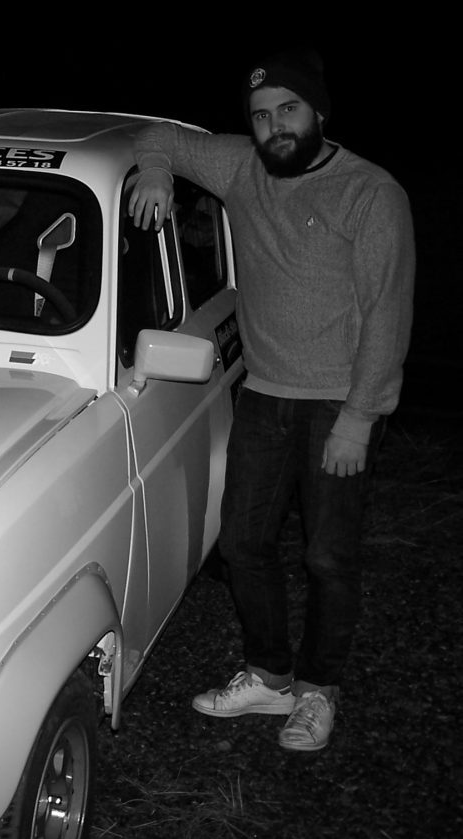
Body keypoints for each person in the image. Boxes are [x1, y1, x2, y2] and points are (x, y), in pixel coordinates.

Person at [127, 48, 415, 751]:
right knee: (243, 542)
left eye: (288, 110)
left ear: (319, 112)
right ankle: (269, 675)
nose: (274, 127)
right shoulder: (241, 167)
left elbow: (387, 312)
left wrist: (360, 418)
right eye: (260, 116)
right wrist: (157, 171)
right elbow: (157, 133)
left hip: (339, 404)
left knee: (328, 558)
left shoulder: (369, 192)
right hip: (263, 394)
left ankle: (318, 690)